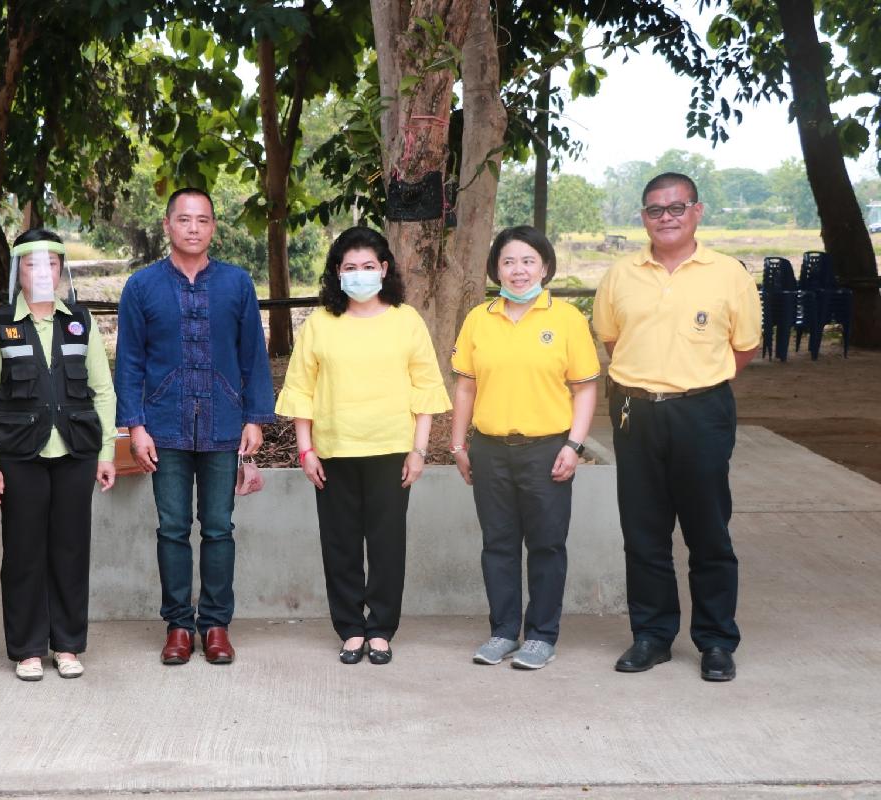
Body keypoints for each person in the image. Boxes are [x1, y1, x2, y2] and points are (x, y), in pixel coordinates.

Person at [593, 172, 761, 682]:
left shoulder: (728, 274)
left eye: (676, 207)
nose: (666, 217)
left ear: (697, 211)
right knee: (643, 531)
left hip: (702, 411)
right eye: (655, 210)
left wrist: (694, 382)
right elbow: (613, 340)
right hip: (635, 410)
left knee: (708, 531)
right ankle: (652, 635)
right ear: (643, 217)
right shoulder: (621, 274)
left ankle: (716, 641)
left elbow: (744, 347)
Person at [275, 226, 450, 665]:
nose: (359, 274)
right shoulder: (319, 324)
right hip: (333, 451)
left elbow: (426, 388)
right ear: (337, 272)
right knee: (341, 545)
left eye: (368, 266)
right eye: (350, 267)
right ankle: (351, 628)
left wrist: (419, 451)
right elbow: (301, 390)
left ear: (384, 269)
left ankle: (381, 629)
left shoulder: (406, 321)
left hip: (392, 450)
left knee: (388, 545)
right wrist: (306, 450)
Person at [114, 187, 274, 666]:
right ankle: (179, 626)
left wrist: (254, 418)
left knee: (220, 528)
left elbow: (253, 356)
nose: (193, 228)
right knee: (172, 529)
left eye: (202, 220)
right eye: (184, 219)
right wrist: (135, 426)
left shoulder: (236, 284)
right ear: (167, 225)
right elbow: (129, 362)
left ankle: (217, 625)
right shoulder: (142, 286)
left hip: (224, 423)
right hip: (164, 427)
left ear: (213, 228)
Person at [448, 226, 599, 671]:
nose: (519, 270)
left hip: (547, 449)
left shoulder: (566, 319)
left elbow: (585, 389)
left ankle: (541, 635)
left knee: (547, 544)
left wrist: (574, 445)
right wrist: (458, 444)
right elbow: (465, 387)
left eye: (528, 261)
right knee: (498, 544)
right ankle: (502, 631)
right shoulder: (479, 319)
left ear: (545, 266)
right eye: (509, 262)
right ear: (495, 269)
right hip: (490, 449)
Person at [0, 228, 117, 681]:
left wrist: (106, 453)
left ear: (60, 270)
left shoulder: (80, 321)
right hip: (20, 455)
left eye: (51, 263)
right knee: (23, 552)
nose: (42, 272)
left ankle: (68, 645)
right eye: (32, 263)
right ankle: (28, 648)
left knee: (71, 550)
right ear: (18, 271)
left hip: (76, 452)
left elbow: (103, 390)